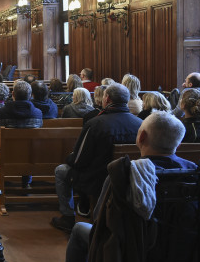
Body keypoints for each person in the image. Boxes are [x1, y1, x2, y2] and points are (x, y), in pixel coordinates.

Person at [56, 111, 197, 262]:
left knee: (78, 229)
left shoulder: (124, 173)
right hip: (183, 255)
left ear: (141, 137)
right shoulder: (193, 172)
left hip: (131, 254)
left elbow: (100, 224)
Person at [51, 83, 142, 232]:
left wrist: (69, 159)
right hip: (131, 178)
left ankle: (68, 217)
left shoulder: (95, 123)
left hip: (97, 178)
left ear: (107, 98)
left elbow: (79, 160)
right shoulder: (140, 124)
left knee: (61, 170)